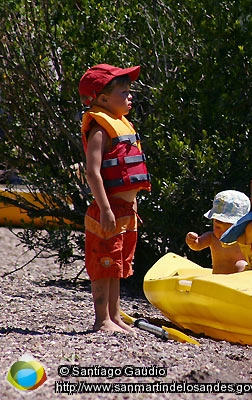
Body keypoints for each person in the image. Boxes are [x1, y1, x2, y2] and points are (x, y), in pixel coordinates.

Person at [79, 64, 151, 333]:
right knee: (104, 264)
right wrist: (105, 209)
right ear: (102, 98)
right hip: (107, 210)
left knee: (118, 264)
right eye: (124, 92)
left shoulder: (121, 124)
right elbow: (92, 172)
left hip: (125, 210)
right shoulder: (99, 128)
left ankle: (114, 315)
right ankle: (101, 320)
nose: (129, 96)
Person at [186, 190, 251, 274]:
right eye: (217, 227)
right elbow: (198, 245)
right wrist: (193, 242)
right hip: (218, 281)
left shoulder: (245, 238)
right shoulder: (211, 237)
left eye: (229, 230)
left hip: (239, 282)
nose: (222, 232)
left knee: (241, 264)